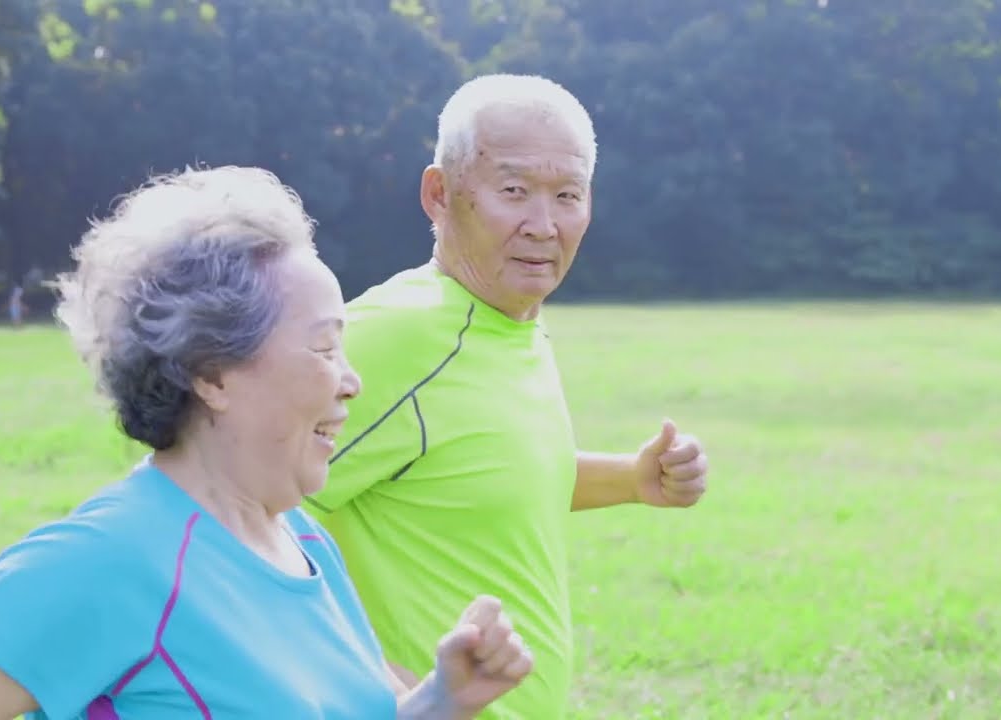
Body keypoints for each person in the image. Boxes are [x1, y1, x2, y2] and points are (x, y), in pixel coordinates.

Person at [0, 166, 535, 720]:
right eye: (324, 350)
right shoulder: (112, 557)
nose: (351, 381)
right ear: (212, 374)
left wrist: (438, 702)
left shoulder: (304, 542)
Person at [302, 73, 712, 719]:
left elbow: (482, 470)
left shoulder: (508, 318)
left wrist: (632, 479)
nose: (543, 226)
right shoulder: (398, 335)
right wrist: (378, 684)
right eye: (514, 191)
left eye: (567, 195)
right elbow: (233, 509)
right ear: (440, 194)